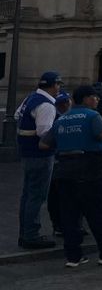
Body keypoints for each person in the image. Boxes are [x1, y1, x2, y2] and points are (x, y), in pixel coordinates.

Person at [38, 85, 102, 268]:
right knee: (99, 214)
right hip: (90, 171)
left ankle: (73, 256)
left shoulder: (62, 119)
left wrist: (65, 145)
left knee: (70, 215)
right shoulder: (92, 116)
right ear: (86, 99)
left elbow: (43, 144)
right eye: (94, 97)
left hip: (64, 172)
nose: (97, 100)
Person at [16, 71, 63, 249]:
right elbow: (45, 132)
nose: (59, 88)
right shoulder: (47, 105)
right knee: (37, 195)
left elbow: (16, 115)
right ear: (53, 85)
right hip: (41, 155)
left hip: (27, 153)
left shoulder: (30, 98)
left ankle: (25, 233)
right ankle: (31, 235)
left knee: (27, 195)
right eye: (58, 85)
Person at [47, 91, 73, 237]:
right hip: (60, 161)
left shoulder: (58, 117)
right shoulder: (59, 119)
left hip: (59, 161)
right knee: (59, 195)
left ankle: (61, 224)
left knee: (58, 195)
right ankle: (60, 224)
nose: (66, 104)